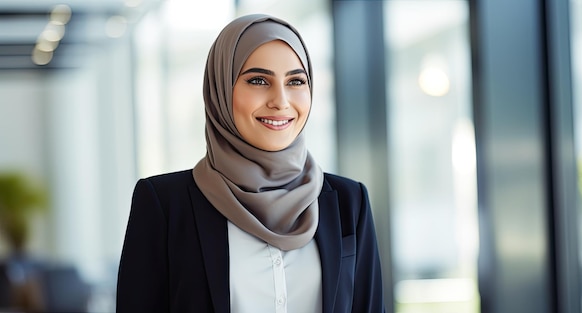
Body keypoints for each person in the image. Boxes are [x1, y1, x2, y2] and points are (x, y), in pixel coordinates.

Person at [116, 13, 386, 313]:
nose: (281, 101)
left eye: (296, 81)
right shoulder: (164, 204)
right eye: (258, 80)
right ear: (221, 89)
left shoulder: (350, 202)